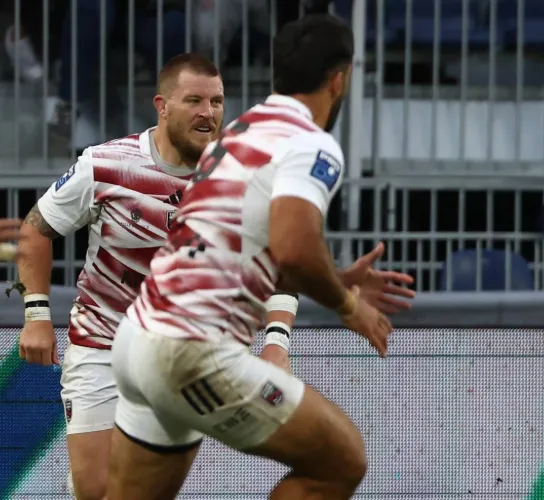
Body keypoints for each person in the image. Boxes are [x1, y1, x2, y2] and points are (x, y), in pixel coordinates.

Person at [106, 14, 416, 500]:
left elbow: (254, 239)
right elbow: (294, 246)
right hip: (192, 350)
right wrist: (348, 305)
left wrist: (333, 276)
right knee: (340, 461)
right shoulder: (312, 143)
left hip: (139, 338)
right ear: (339, 80)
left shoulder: (240, 130)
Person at [11, 52, 303, 500]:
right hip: (102, 342)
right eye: (194, 101)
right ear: (162, 106)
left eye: (217, 102)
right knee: (97, 490)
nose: (208, 113)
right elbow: (35, 230)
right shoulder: (105, 164)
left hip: (183, 356)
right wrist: (36, 313)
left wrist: (277, 344)